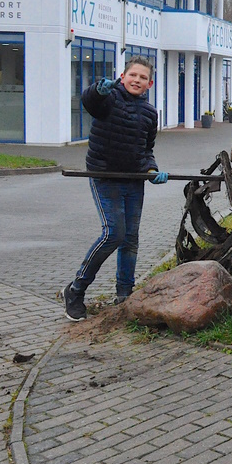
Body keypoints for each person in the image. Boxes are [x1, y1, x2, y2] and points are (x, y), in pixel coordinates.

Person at [63, 56, 167, 320]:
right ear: (123, 77)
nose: (137, 80)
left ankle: (124, 294)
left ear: (150, 84)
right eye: (133, 75)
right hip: (104, 176)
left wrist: (152, 170)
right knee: (114, 233)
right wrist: (98, 89)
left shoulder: (150, 113)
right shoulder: (108, 99)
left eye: (143, 78)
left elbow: (146, 150)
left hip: (133, 180)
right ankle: (75, 290)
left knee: (130, 239)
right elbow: (89, 101)